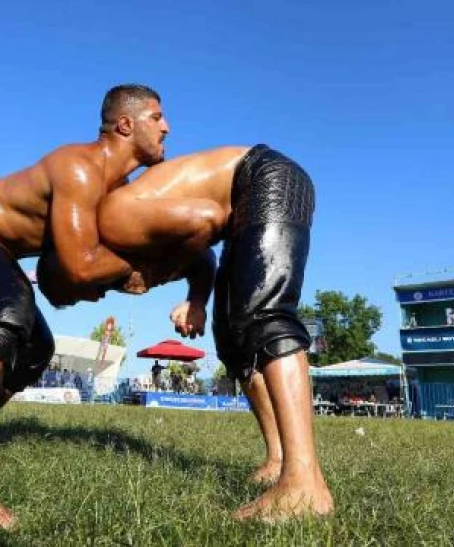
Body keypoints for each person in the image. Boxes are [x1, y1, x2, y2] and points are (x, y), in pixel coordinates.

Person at [0, 84, 200, 529]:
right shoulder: (80, 167)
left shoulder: (119, 192)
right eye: (157, 117)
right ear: (125, 124)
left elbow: (62, 282)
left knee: (37, 346)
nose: (167, 126)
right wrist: (143, 267)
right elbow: (80, 268)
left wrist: (180, 282)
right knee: (4, 299)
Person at [79, 144, 333, 521]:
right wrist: (197, 301)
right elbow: (203, 252)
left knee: (266, 314)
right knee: (233, 341)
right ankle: (278, 459)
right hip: (242, 205)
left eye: (113, 284)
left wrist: (172, 268)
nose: (132, 289)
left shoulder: (116, 216)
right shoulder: (136, 224)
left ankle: (304, 484)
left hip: (265, 176)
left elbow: (207, 218)